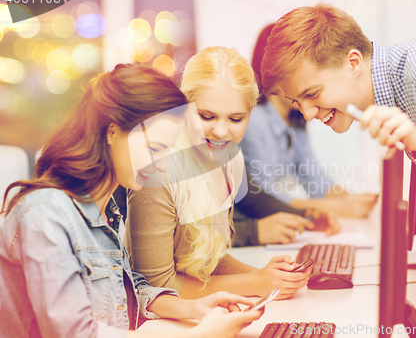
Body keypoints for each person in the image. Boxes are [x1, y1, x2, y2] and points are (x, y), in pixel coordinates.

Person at [0, 63, 263, 338]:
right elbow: (75, 333)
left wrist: (194, 307)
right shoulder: (46, 216)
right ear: (112, 132)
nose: (162, 167)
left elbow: (126, 292)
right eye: (154, 149)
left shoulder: (105, 211)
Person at [260, 3, 416, 242]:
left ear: (353, 63)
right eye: (297, 101)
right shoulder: (398, 90)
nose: (308, 114)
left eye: (312, 94)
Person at [125, 47, 311, 301]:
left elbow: (207, 258)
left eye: (236, 119)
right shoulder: (156, 173)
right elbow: (156, 287)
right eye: (206, 116)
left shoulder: (229, 159)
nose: (221, 132)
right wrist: (255, 282)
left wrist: (268, 278)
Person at [240, 23, 378, 219]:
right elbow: (264, 197)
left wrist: (353, 200)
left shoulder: (296, 119)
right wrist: (336, 208)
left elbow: (314, 178)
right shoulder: (254, 122)